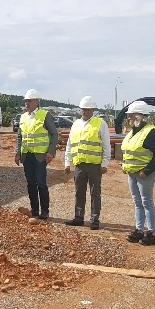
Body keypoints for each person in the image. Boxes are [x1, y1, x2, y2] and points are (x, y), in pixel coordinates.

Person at [120, 101, 155, 246]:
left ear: (139, 116)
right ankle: (139, 230)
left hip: (144, 174)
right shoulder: (133, 131)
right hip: (132, 173)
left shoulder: (150, 132)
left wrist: (147, 171)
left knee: (147, 202)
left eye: (131, 115)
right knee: (137, 203)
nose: (128, 118)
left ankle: (151, 233)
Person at [64, 96, 111, 230]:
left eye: (88, 109)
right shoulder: (76, 124)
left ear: (93, 110)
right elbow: (70, 144)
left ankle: (94, 219)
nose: (86, 112)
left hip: (95, 166)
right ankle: (79, 217)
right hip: (79, 165)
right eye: (84, 109)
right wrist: (67, 162)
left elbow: (106, 145)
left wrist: (104, 164)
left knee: (95, 193)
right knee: (79, 192)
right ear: (81, 110)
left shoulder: (100, 123)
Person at [15, 89, 60, 219]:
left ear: (36, 102)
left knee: (41, 183)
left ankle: (44, 212)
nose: (26, 103)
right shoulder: (23, 117)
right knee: (30, 184)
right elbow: (20, 137)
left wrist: (51, 152)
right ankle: (34, 211)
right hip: (27, 156)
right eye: (25, 101)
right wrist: (17, 153)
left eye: (29, 101)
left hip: (40, 156)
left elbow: (54, 134)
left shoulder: (44, 115)